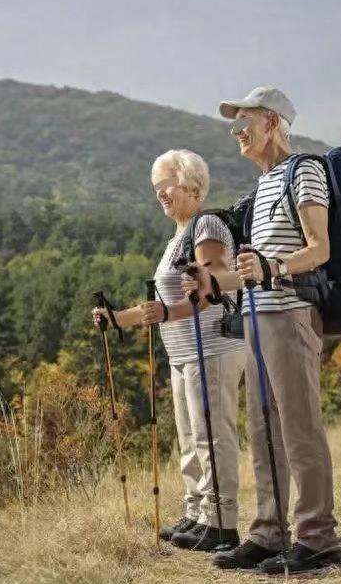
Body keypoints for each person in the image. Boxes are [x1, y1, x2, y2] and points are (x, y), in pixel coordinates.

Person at [183, 87, 340, 574]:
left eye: (243, 123)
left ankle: (317, 538)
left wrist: (274, 267)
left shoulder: (304, 171)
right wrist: (213, 280)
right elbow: (251, 272)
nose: (237, 134)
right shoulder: (261, 188)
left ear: (272, 121)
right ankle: (270, 533)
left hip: (290, 313)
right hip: (255, 313)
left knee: (299, 426)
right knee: (264, 427)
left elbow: (320, 248)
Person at [90, 149, 245, 552]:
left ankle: (222, 523)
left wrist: (169, 311)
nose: (160, 193)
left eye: (167, 185)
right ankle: (197, 515)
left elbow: (211, 286)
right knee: (191, 438)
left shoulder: (205, 224)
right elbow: (157, 310)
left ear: (192, 186)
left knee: (212, 436)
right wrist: (116, 318)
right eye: (156, 187)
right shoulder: (178, 235)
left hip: (210, 347)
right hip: (184, 354)